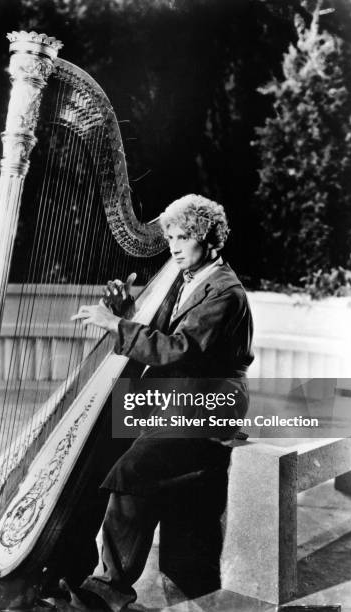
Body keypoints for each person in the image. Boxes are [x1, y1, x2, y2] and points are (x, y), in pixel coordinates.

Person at [64, 193, 254, 611]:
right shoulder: (186, 278)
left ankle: (107, 589)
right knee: (95, 446)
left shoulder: (225, 293)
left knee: (133, 468)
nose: (174, 245)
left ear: (209, 238)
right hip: (173, 397)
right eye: (170, 236)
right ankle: (70, 564)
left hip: (207, 406)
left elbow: (179, 348)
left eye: (184, 236)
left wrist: (116, 325)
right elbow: (159, 331)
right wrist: (125, 310)